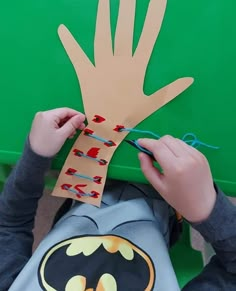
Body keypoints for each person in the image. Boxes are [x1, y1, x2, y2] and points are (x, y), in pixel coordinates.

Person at [0, 108, 235, 291]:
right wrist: (207, 210)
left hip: (86, 190)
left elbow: (9, 225)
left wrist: (36, 156)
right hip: (170, 201)